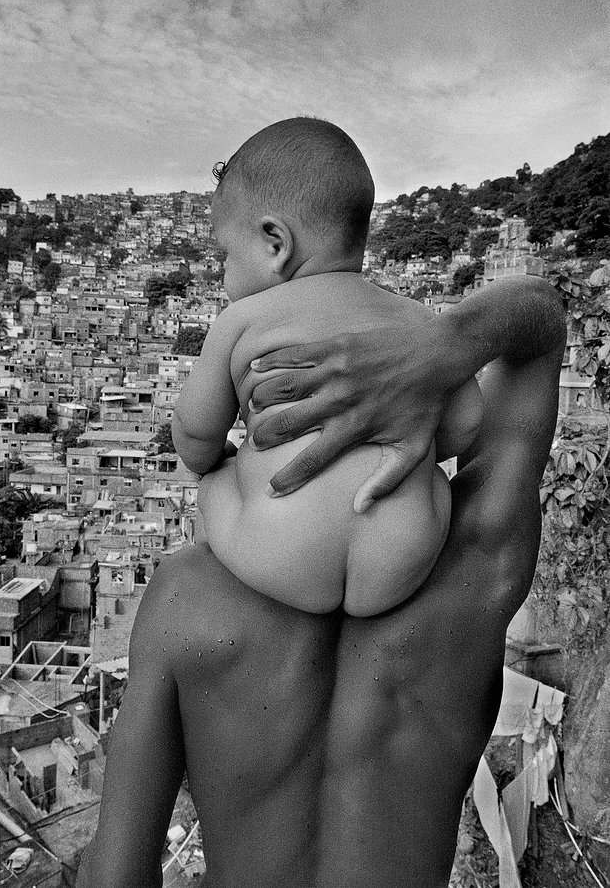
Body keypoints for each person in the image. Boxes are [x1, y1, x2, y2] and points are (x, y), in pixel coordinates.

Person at [77, 273, 566, 888]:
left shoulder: (184, 597)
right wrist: (439, 349)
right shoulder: (474, 570)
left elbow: (116, 876)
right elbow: (541, 319)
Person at [172, 118, 482, 616]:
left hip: (279, 553)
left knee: (211, 487)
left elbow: (194, 434)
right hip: (403, 561)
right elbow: (465, 425)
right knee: (437, 487)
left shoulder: (241, 320)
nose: (221, 271)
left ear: (276, 244)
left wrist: (220, 465)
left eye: (225, 255)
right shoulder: (418, 323)